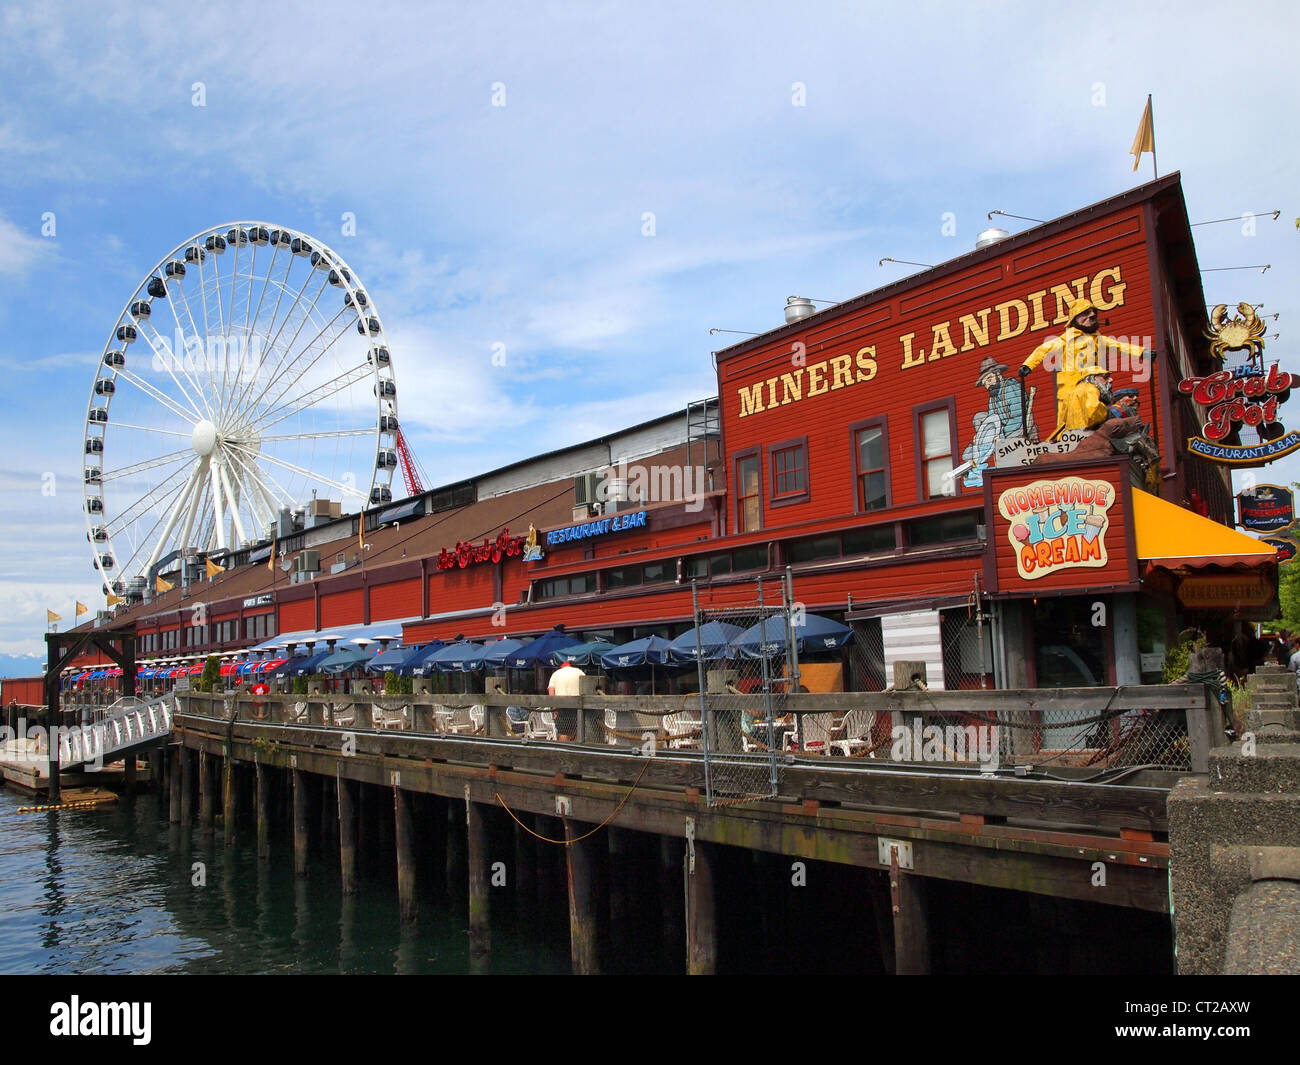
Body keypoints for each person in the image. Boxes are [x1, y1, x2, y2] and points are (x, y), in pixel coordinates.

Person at [1018, 297, 1150, 440]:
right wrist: (1028, 365)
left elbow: (1120, 346)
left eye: (1093, 313)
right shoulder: (1065, 340)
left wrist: (1142, 352)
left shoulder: (1099, 340)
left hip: (1092, 385)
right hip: (1070, 388)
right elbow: (1043, 349)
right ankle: (1060, 444)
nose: (1092, 315)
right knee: (1066, 421)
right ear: (1075, 319)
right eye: (1085, 313)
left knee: (1095, 415)